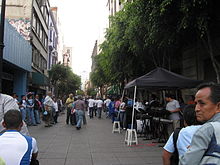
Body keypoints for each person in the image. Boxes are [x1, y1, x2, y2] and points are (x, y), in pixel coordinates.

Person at [179, 82, 220, 165]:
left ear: (218, 106)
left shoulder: (207, 130)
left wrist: (189, 153)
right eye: (196, 103)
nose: (196, 109)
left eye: (202, 103)